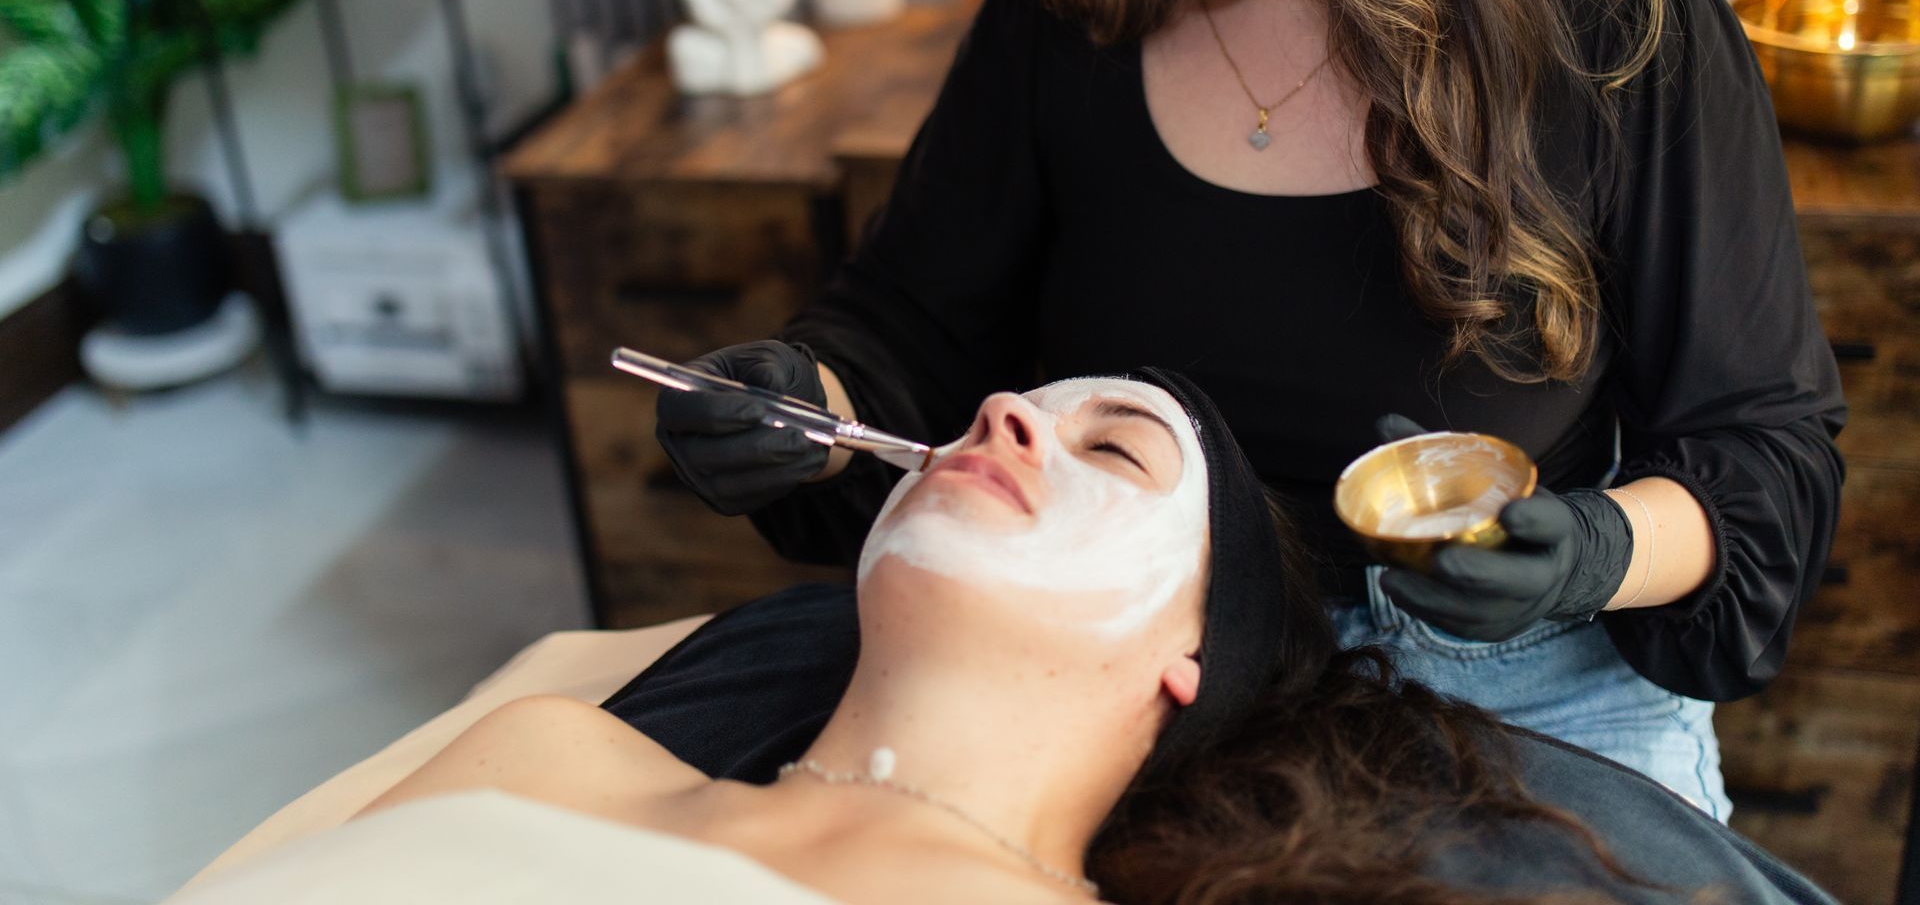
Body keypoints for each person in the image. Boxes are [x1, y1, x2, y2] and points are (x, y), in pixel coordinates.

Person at [652, 0, 1846, 822]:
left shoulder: (1618, 23)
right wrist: (797, 398)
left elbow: (1758, 455)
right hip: (1141, 682)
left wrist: (1588, 551)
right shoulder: (1065, 16)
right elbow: (904, 330)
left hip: (1528, 701)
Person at [176, 373, 1831, 905]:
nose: (1001, 417)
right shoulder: (552, 745)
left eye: (1111, 449)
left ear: (1191, 654)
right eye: (1014, 403)